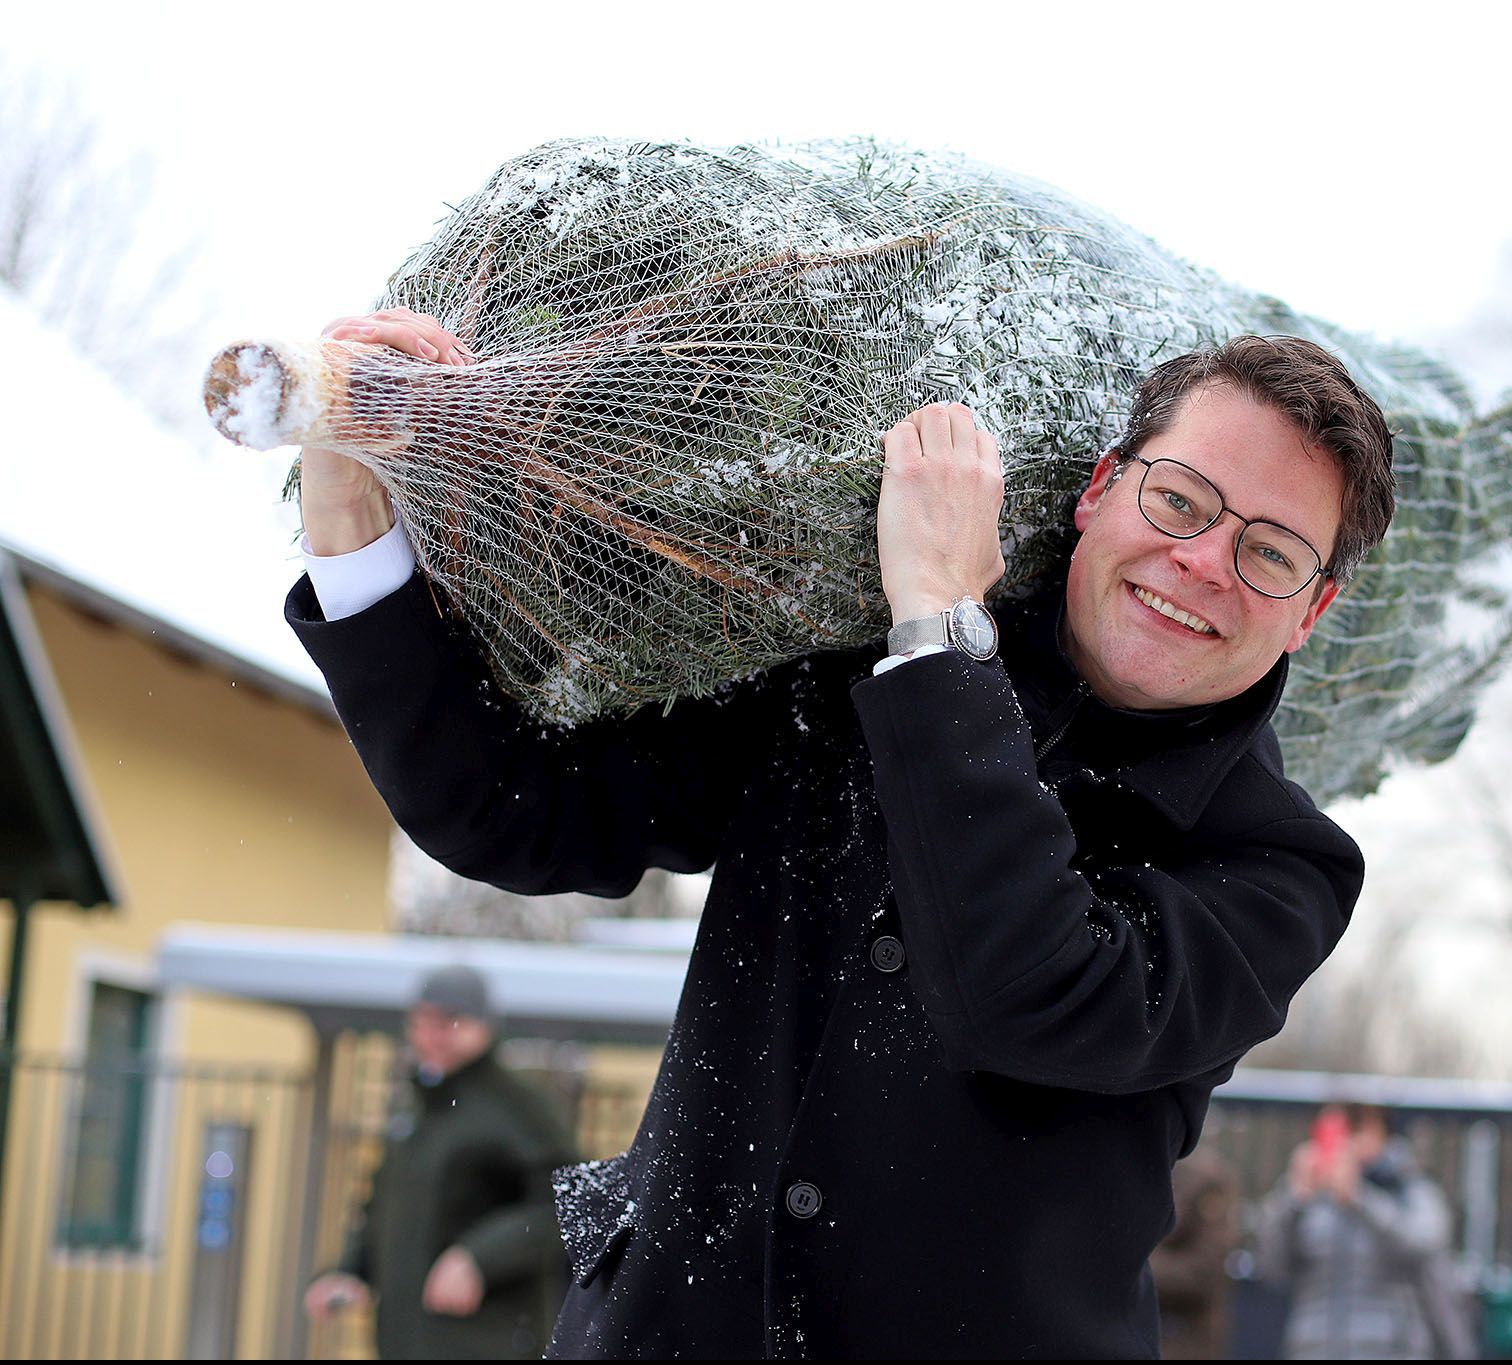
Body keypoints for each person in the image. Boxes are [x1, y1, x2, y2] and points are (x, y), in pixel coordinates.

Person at [286, 307, 1396, 1357]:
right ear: (1098, 489)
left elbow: (1027, 997)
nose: (1204, 561)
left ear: (1312, 609)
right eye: (1181, 501)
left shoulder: (1275, 864)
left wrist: (939, 633)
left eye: (1269, 553)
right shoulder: (850, 657)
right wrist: (351, 525)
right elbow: (520, 812)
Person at [303, 965, 578, 1359]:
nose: (432, 1035)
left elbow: (564, 1204)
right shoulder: (418, 1111)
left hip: (486, 1343)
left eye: (449, 1021)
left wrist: (479, 1257)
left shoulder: (518, 1107)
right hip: (407, 1342)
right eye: (422, 1022)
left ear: (483, 1027)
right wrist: (349, 1271)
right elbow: (381, 1208)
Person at [1256, 1104, 1476, 1360]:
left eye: (1355, 1131)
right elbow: (1272, 1266)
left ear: (1382, 1134)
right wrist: (1294, 1199)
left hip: (1392, 1349)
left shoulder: (1408, 1187)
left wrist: (1360, 1199)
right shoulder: (1309, 1193)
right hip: (1314, 1349)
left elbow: (1426, 1245)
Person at [1150, 1145, 1243, 1359]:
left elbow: (1203, 1274)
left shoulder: (1205, 1179)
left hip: (1184, 1341)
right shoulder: (1128, 1166)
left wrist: (1135, 1265)